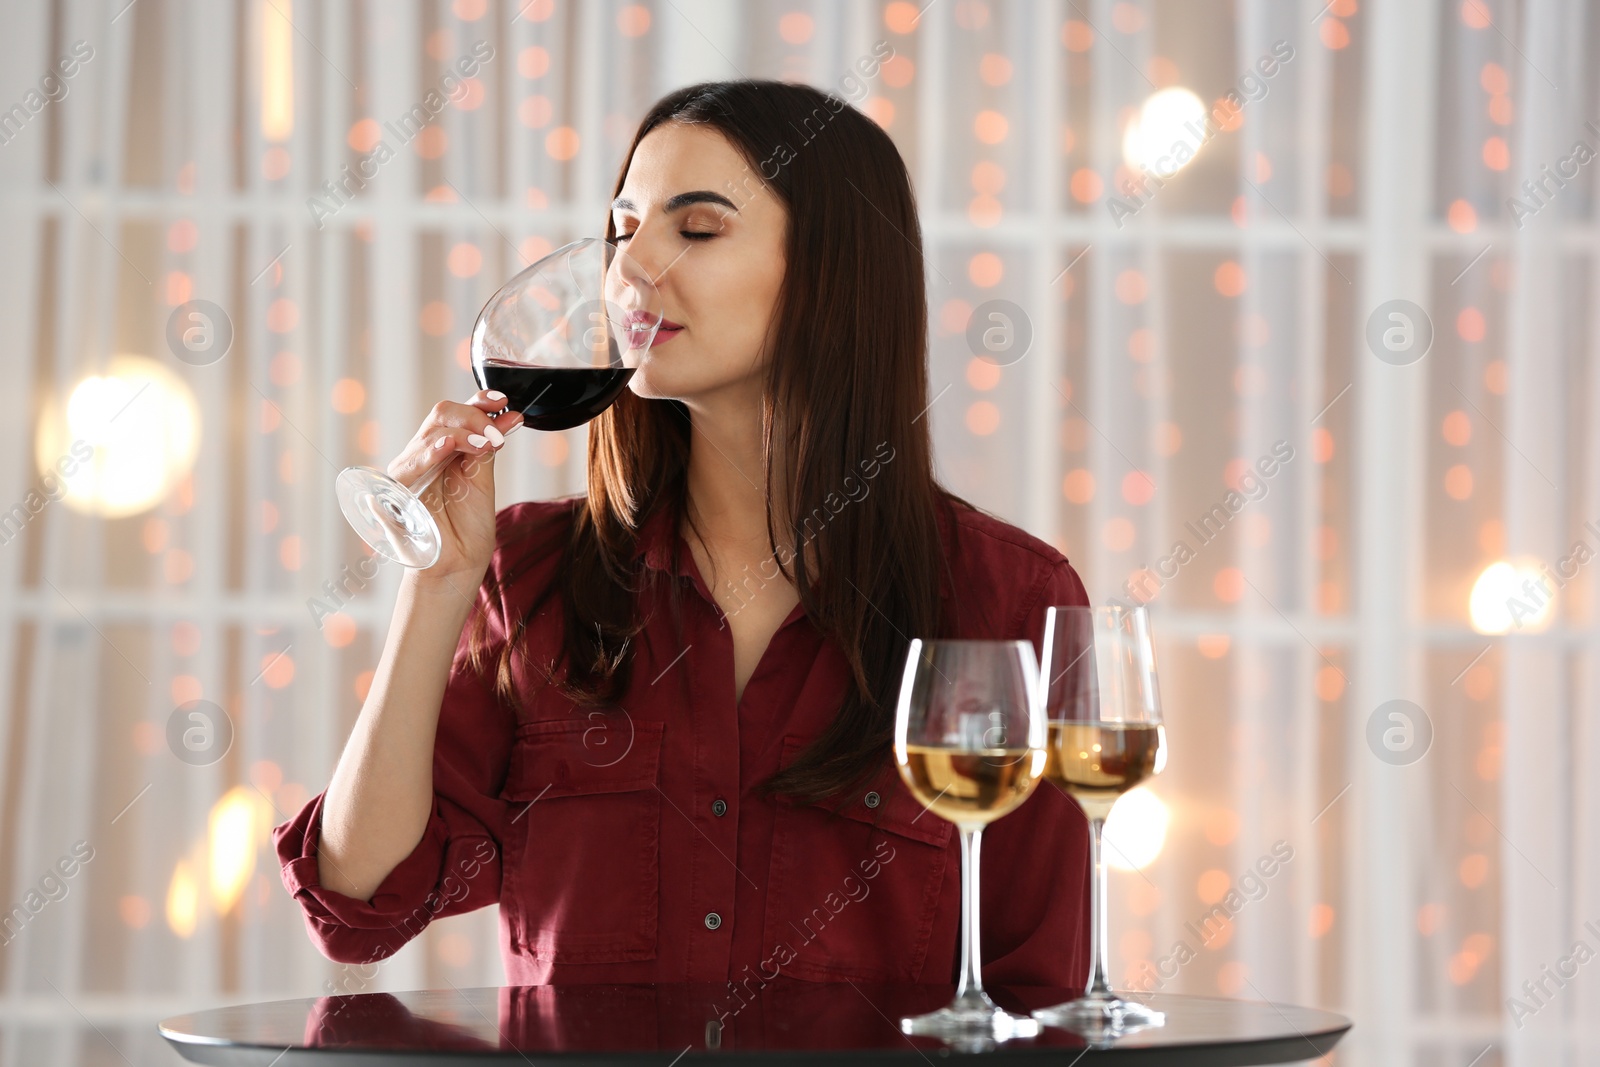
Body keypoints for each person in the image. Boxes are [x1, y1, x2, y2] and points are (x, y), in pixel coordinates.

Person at [274, 79, 1092, 991]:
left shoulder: (1007, 599)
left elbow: (1042, 996)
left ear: (835, 268)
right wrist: (436, 581)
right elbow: (359, 903)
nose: (631, 269)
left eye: (695, 230)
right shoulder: (530, 575)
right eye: (623, 230)